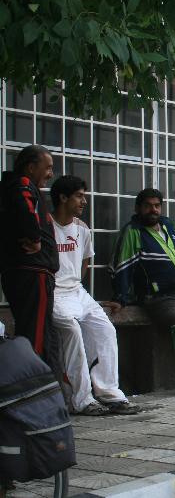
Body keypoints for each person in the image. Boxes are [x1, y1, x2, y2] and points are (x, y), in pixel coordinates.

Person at [49, 175, 140, 415]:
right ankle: (82, 400)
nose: (84, 201)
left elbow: (85, 262)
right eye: (79, 196)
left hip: (77, 291)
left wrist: (78, 287)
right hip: (54, 293)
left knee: (105, 330)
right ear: (63, 197)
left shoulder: (82, 228)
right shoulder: (45, 227)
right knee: (73, 331)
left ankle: (110, 394)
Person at [108, 188, 175, 327]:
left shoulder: (168, 224)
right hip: (163, 297)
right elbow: (121, 266)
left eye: (157, 206)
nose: (153, 210)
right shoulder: (132, 232)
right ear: (137, 208)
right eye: (148, 206)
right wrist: (120, 298)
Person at [0, 145, 60, 375]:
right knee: (36, 335)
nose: (50, 174)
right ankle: (36, 386)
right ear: (31, 167)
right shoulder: (22, 186)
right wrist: (35, 238)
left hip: (27, 272)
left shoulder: (15, 187)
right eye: (48, 168)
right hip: (32, 272)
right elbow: (24, 212)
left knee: (40, 331)